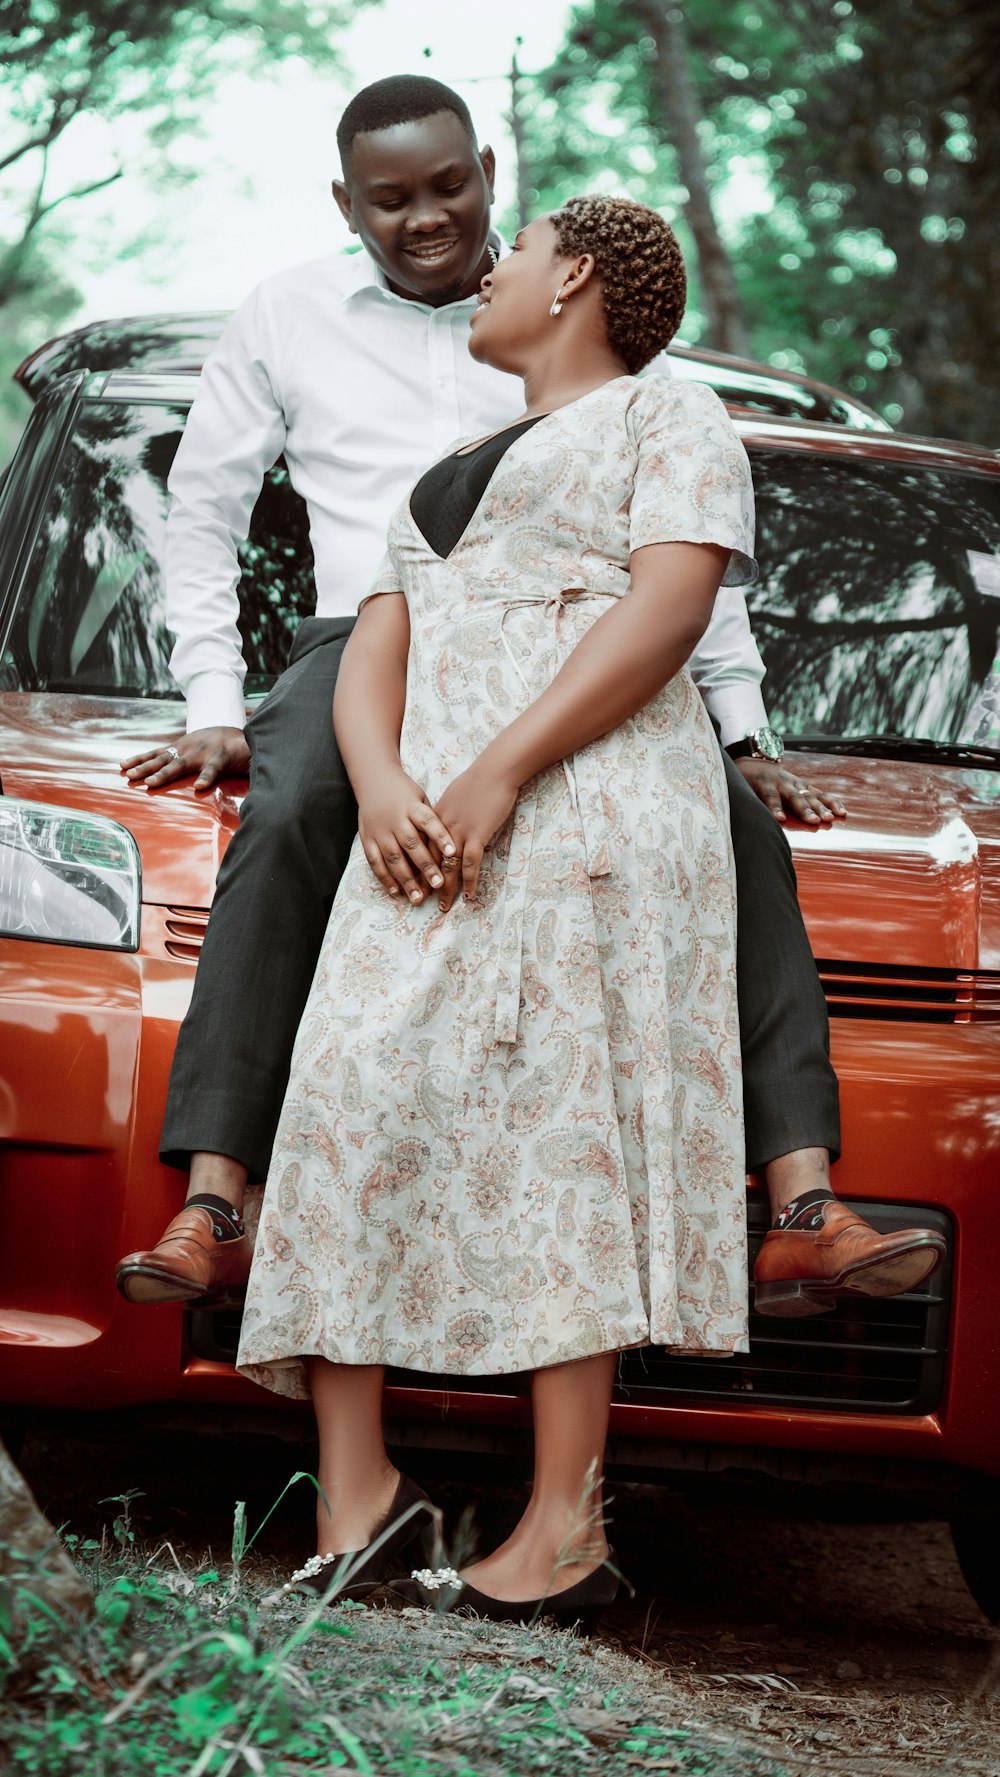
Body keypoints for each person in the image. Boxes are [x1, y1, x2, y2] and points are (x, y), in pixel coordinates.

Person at [114, 74, 945, 1321]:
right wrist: (212, 700)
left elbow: (672, 551)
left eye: (448, 185)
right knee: (289, 814)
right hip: (371, 642)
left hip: (579, 641)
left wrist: (742, 726)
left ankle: (803, 1207)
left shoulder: (573, 317)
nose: (426, 218)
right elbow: (203, 511)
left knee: (741, 834)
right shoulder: (283, 314)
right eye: (389, 200)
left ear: (487, 169)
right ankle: (218, 1199)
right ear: (345, 203)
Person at [238, 193, 753, 1619]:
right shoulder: (449, 461)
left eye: (512, 250)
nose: (486, 272)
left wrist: (503, 772)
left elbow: (670, 611)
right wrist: (388, 784)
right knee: (347, 1089)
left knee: (563, 1139)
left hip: (590, 817)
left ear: (575, 274)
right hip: (426, 830)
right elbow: (374, 646)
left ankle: (564, 1529)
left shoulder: (671, 417)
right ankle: (359, 1494)